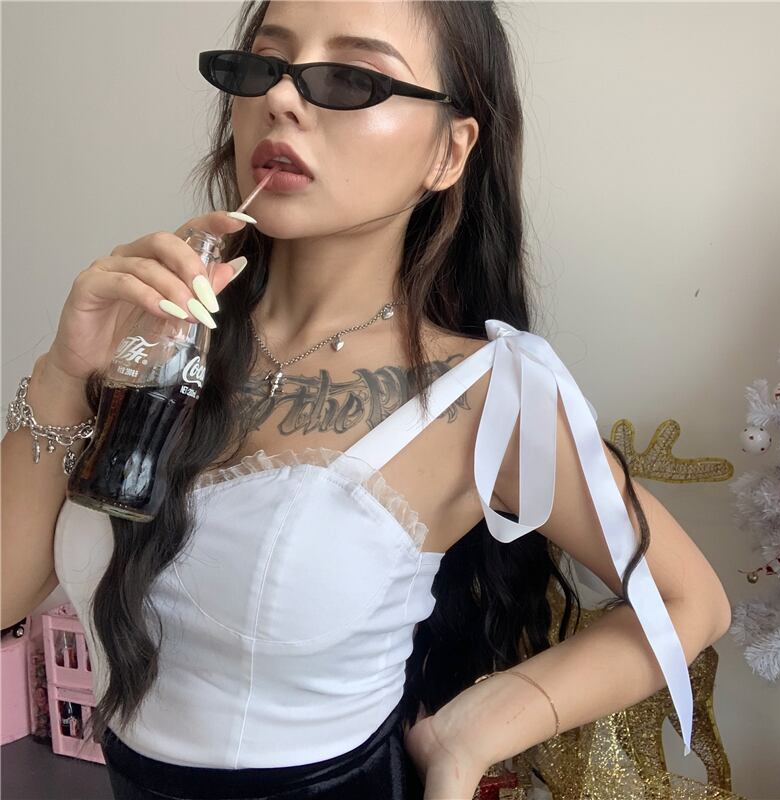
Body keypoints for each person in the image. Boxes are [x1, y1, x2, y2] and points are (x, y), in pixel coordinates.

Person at [3, 1, 732, 798]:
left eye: (353, 78)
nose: (281, 98)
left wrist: (475, 729)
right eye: (265, 66)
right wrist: (64, 373)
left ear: (449, 151)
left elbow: (690, 600)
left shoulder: (487, 394)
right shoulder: (152, 337)